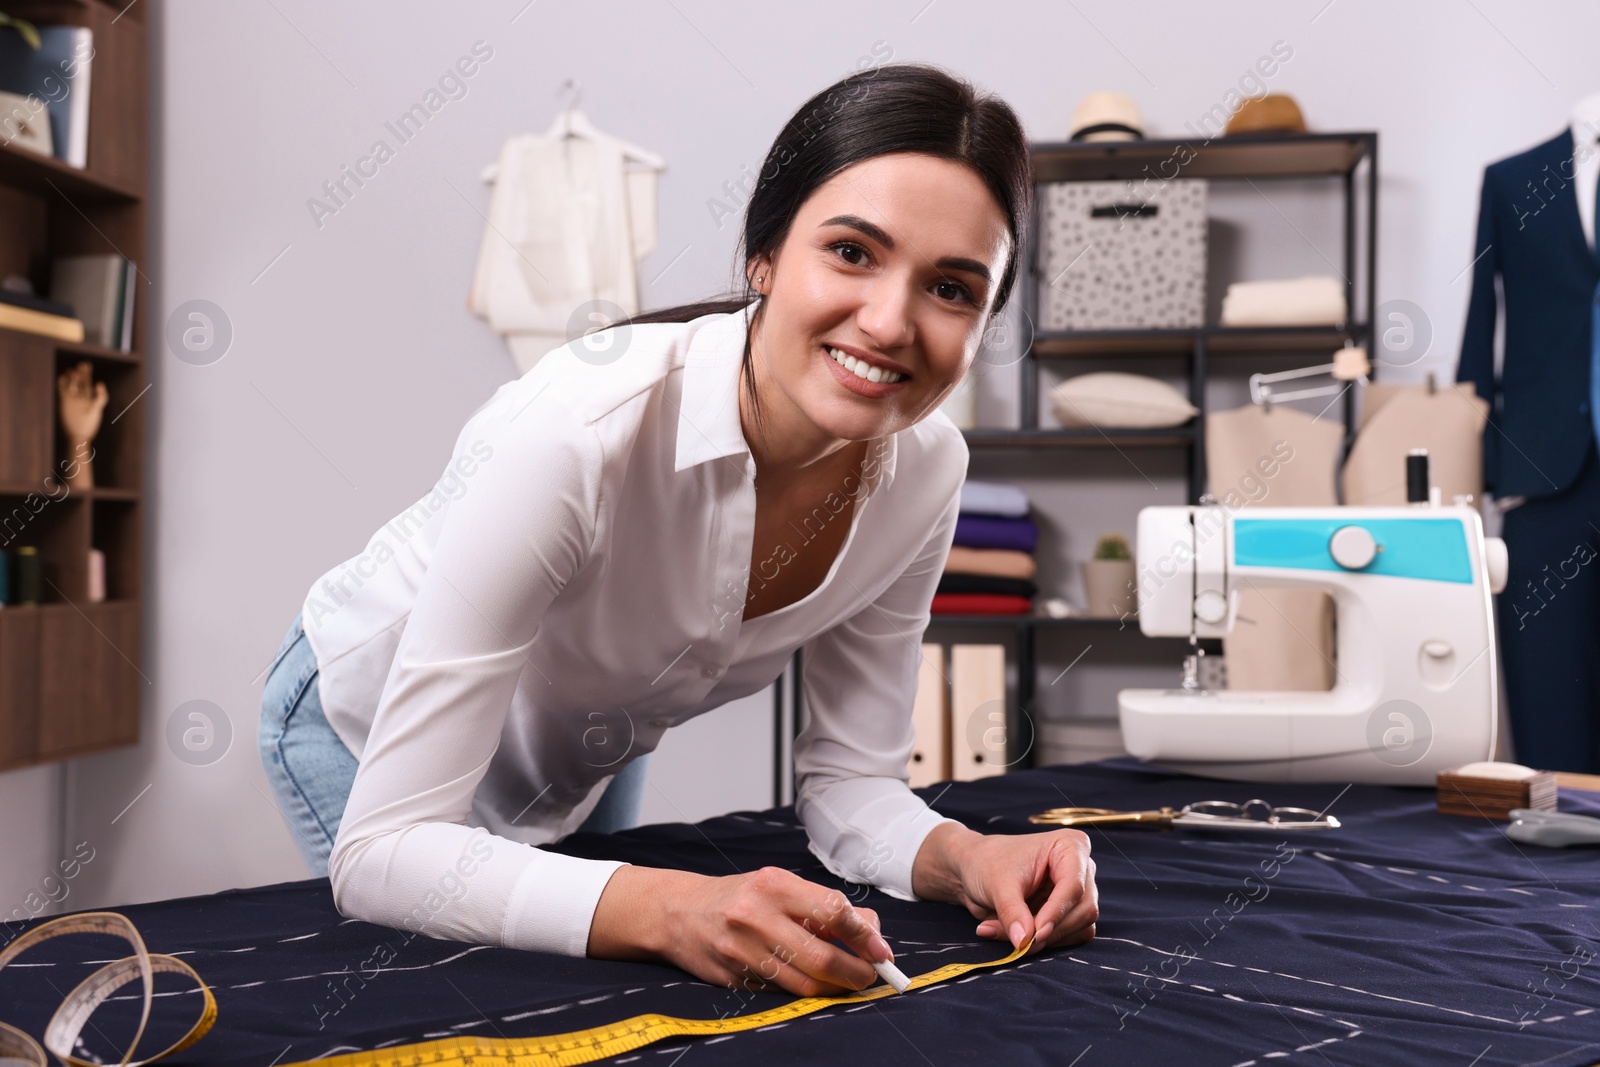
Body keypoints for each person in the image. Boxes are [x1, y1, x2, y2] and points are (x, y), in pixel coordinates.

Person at [259, 61, 1098, 998]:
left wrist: (968, 857)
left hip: (586, 732)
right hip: (361, 717)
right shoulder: (577, 429)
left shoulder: (926, 471)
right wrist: (672, 905)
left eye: (951, 289)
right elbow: (387, 851)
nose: (891, 321)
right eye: (854, 252)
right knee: (433, 995)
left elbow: (852, 786)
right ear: (765, 257)